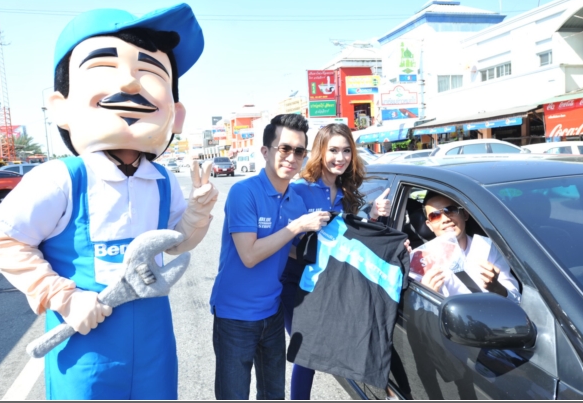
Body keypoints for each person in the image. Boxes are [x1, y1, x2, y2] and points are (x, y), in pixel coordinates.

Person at [0, 4, 218, 400]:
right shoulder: (61, 178)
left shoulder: (162, 179)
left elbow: (176, 243)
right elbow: (5, 240)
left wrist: (197, 212)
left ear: (176, 114)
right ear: (60, 106)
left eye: (151, 72)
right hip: (84, 344)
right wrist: (63, 296)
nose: (129, 82)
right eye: (105, 67)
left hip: (154, 341)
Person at [209, 114, 331, 400]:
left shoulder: (296, 201)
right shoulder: (243, 192)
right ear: (265, 151)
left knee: (274, 394)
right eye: (284, 148)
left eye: (299, 151)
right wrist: (296, 227)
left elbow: (290, 249)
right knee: (233, 396)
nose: (292, 157)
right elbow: (249, 255)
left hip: (272, 312)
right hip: (235, 316)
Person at [280, 123, 394, 400]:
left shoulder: (348, 191)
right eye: (333, 150)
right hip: (296, 283)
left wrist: (373, 216)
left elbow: (352, 237)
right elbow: (283, 242)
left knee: (322, 349)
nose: (340, 158)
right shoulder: (299, 190)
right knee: (307, 350)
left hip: (330, 284)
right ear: (320, 151)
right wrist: (312, 247)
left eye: (346, 151)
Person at [416, 191, 520, 302]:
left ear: (465, 214)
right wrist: (426, 295)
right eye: (435, 215)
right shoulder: (420, 259)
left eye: (450, 210)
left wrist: (497, 288)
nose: (446, 219)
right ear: (429, 225)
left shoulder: (488, 247)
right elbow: (415, 307)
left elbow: (516, 299)